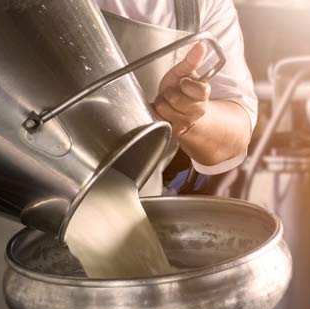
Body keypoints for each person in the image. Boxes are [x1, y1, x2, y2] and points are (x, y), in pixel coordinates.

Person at [95, 0, 258, 196]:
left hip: (131, 208)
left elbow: (236, 135)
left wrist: (191, 112)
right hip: (48, 206)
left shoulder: (205, 4)